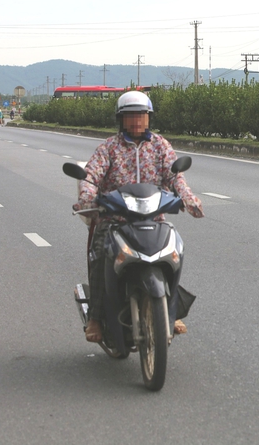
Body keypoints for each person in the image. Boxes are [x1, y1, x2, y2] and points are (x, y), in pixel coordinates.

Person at [73, 91, 205, 343]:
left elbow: (175, 176)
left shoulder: (160, 145)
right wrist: (87, 198)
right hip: (115, 220)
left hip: (153, 218)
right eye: (130, 117)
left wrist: (189, 199)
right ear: (121, 120)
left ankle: (170, 308)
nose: (136, 122)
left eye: (141, 116)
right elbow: (91, 176)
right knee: (101, 253)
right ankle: (96, 319)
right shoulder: (108, 148)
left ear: (149, 118)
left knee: (173, 251)